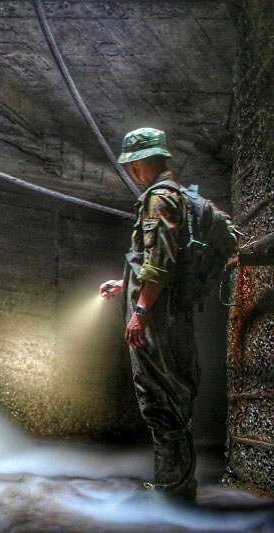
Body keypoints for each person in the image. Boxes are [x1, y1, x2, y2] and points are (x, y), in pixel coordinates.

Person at [99, 127, 233, 501]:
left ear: (141, 164)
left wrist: (139, 311)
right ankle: (176, 484)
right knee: (174, 393)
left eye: (131, 166)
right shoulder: (185, 199)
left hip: (160, 318)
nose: (131, 173)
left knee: (160, 396)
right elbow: (155, 260)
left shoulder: (158, 199)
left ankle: (172, 489)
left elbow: (159, 265)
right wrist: (122, 283)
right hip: (172, 313)